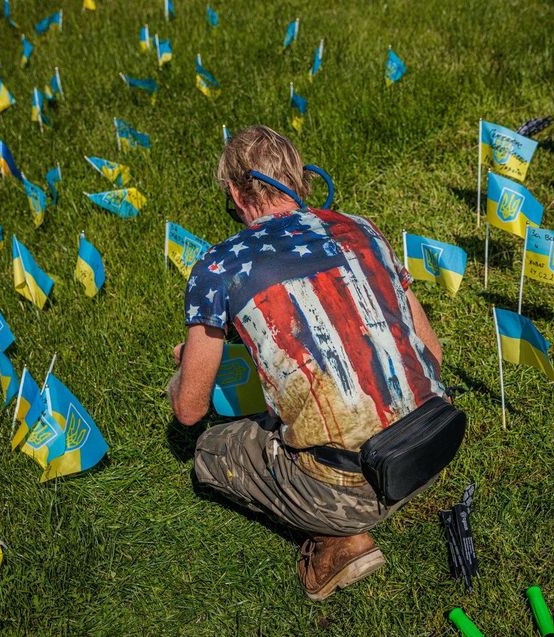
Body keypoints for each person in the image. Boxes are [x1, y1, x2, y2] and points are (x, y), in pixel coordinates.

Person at [166, 125, 451, 601]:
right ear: (299, 179)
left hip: (349, 485)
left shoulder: (218, 265)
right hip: (430, 446)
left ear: (236, 193)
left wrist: (184, 370)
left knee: (210, 451)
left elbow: (189, 410)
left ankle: (341, 536)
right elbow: (432, 354)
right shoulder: (361, 227)